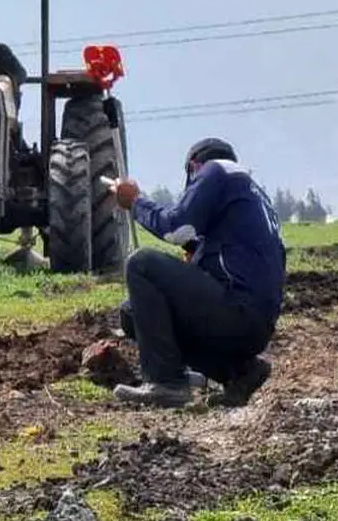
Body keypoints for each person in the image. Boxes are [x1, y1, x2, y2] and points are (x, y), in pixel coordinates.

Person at [108, 138, 286, 408]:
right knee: (133, 314)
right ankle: (240, 372)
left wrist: (136, 202)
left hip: (236, 310)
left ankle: (166, 383)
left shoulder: (215, 170)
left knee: (141, 264)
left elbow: (177, 228)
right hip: (256, 322)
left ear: (194, 167)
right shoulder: (252, 191)